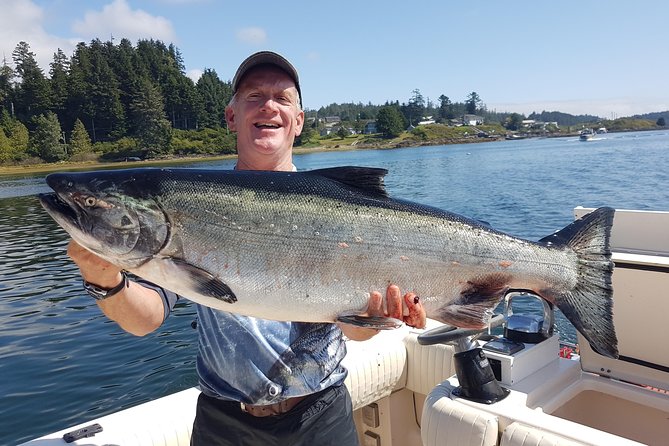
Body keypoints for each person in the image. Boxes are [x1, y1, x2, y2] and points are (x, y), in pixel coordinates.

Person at [66, 51, 426, 446]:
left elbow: (352, 335)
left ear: (299, 122)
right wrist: (103, 278)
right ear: (232, 116)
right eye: (254, 95)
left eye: (282, 98)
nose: (268, 105)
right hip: (225, 424)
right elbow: (143, 321)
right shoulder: (188, 205)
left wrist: (376, 317)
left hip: (321, 416)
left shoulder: (340, 210)